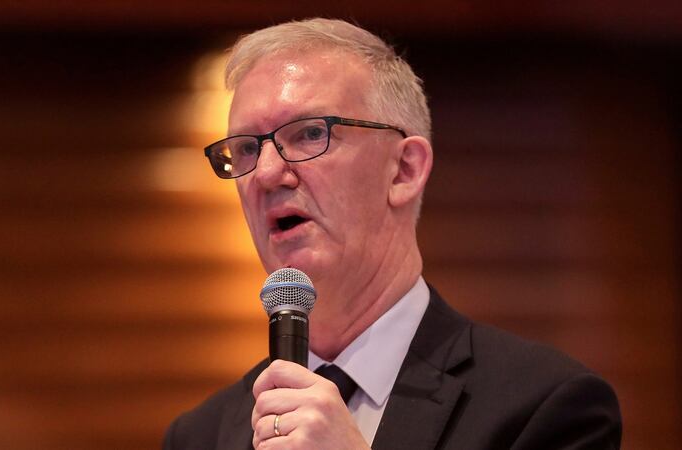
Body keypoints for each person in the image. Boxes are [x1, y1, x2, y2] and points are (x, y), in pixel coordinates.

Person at [163, 18, 622, 450]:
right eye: (245, 149)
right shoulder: (201, 435)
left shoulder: (546, 408)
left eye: (307, 134)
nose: (265, 173)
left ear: (404, 170)